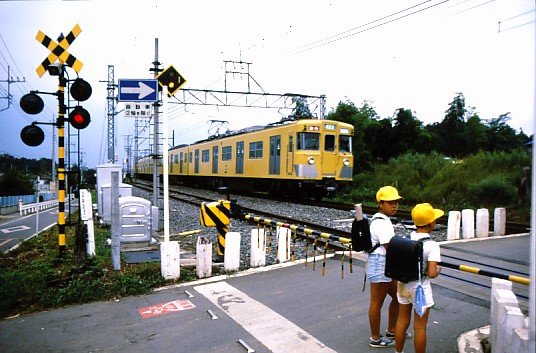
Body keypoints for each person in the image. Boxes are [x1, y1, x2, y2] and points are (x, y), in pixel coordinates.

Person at [394, 203, 443, 353]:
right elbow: (432, 273)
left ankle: (398, 352)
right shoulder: (432, 245)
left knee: (402, 321)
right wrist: (438, 270)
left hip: (403, 285)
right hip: (420, 289)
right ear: (431, 223)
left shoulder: (405, 239)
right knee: (420, 327)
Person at [367, 186, 404, 348]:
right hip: (380, 263)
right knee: (377, 302)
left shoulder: (383, 219)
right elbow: (389, 246)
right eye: (390, 202)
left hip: (386, 263)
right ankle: (375, 338)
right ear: (380, 203)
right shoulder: (381, 223)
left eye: (396, 202)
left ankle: (392, 329)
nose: (394, 206)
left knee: (398, 297)